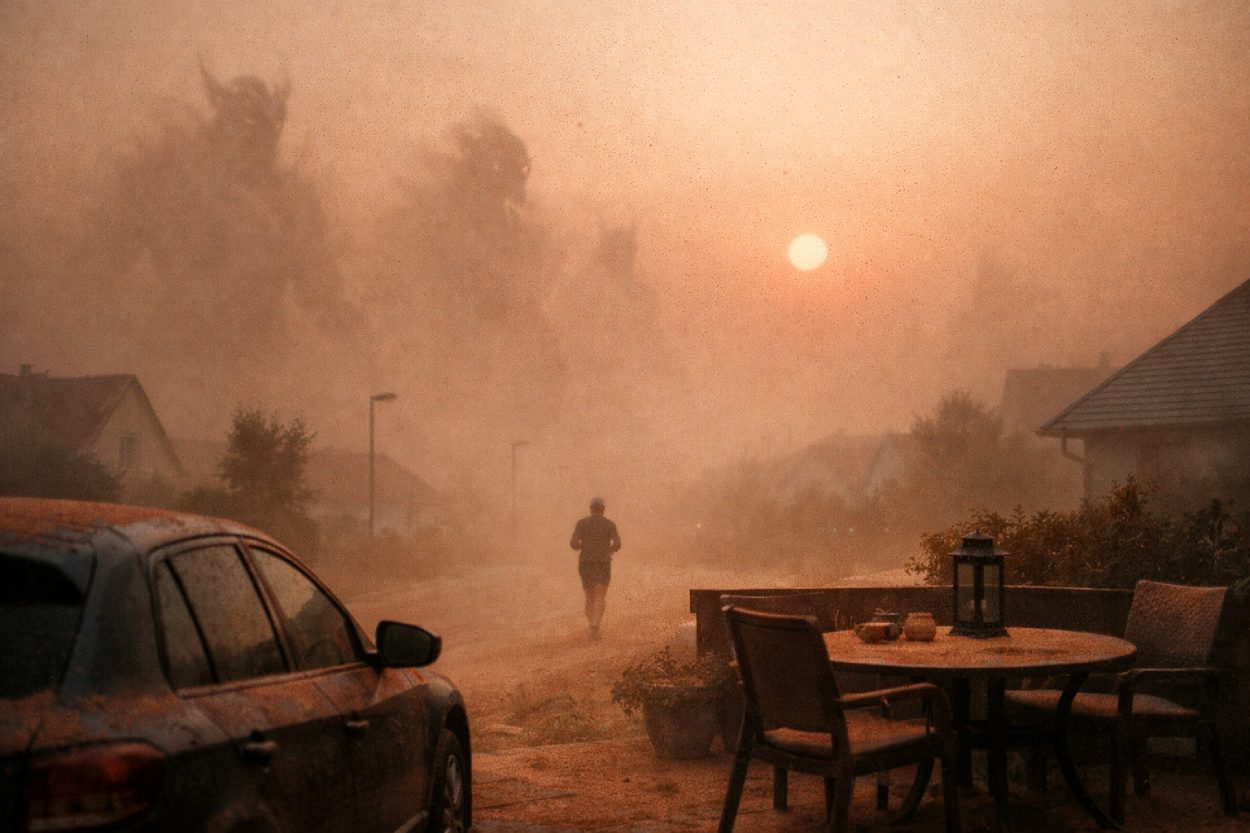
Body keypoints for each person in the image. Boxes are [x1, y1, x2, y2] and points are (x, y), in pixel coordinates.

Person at [569, 496, 621, 640]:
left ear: (591, 509)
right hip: (603, 562)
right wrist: (609, 549)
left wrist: (582, 546)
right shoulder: (609, 524)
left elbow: (573, 543)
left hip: (585, 562)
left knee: (589, 595)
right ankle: (595, 624)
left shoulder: (582, 523)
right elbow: (617, 543)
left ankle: (592, 623)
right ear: (603, 509)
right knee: (600, 593)